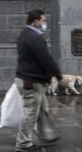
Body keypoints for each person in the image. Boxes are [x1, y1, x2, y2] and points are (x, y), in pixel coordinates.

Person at [14, 10, 63, 152]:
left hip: (30, 80)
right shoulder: (34, 37)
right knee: (30, 114)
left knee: (42, 109)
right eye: (43, 21)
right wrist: (59, 77)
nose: (44, 24)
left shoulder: (25, 34)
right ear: (35, 21)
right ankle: (23, 144)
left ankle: (46, 134)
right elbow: (46, 59)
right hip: (31, 82)